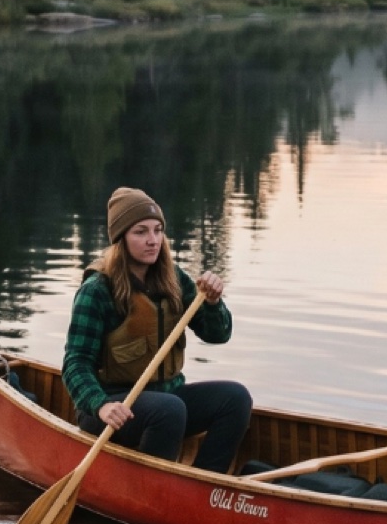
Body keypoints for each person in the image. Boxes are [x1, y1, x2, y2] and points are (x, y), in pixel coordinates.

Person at [63, 186, 252, 474]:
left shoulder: (174, 278)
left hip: (166, 400)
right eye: (140, 232)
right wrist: (100, 405)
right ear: (121, 238)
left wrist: (213, 304)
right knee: (169, 410)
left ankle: (205, 484)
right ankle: (152, 488)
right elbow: (75, 363)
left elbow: (218, 335)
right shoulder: (97, 290)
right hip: (111, 407)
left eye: (158, 230)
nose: (152, 241)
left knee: (235, 398)